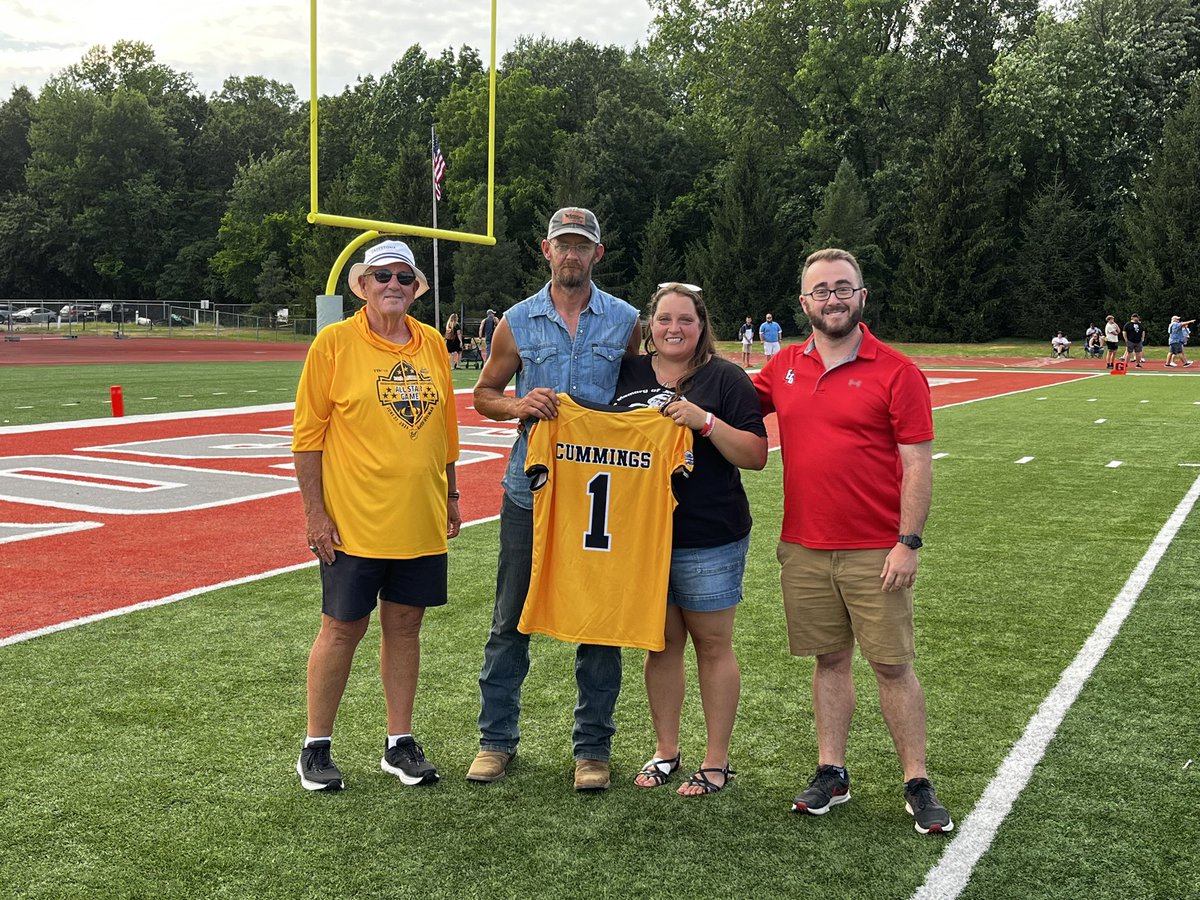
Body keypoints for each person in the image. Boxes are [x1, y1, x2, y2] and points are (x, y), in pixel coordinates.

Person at [753, 247, 953, 835]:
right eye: (822, 290)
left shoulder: (895, 369)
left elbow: (918, 464)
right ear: (804, 302)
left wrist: (908, 541)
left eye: (844, 287)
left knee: (892, 666)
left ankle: (916, 779)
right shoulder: (784, 365)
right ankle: (831, 771)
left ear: (861, 296)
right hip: (805, 546)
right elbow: (730, 404)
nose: (833, 298)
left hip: (876, 548)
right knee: (829, 661)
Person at [469, 207, 641, 791]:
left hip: (602, 495)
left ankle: (592, 749)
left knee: (599, 620)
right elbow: (484, 394)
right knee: (510, 617)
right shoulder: (517, 321)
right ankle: (496, 740)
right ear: (546, 250)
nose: (572, 255)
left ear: (598, 252)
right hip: (530, 492)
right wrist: (520, 406)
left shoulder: (625, 321)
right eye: (563, 245)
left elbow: (643, 398)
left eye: (582, 246)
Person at [291, 240, 462, 792]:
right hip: (353, 519)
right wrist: (315, 515)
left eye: (404, 277)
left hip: (419, 516)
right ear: (362, 286)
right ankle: (316, 746)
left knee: (406, 625)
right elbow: (307, 437)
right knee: (343, 628)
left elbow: (445, 432)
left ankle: (399, 742)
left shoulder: (432, 343)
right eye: (381, 276)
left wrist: (452, 496)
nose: (394, 284)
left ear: (416, 288)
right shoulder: (334, 344)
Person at [612, 284, 767, 796]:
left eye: (685, 319)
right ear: (649, 326)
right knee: (660, 646)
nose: (673, 328)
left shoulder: (725, 378)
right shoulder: (627, 373)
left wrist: (704, 422)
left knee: (712, 644)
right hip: (642, 536)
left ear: (702, 326)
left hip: (709, 535)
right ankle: (666, 751)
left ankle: (717, 760)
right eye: (663, 319)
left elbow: (754, 453)